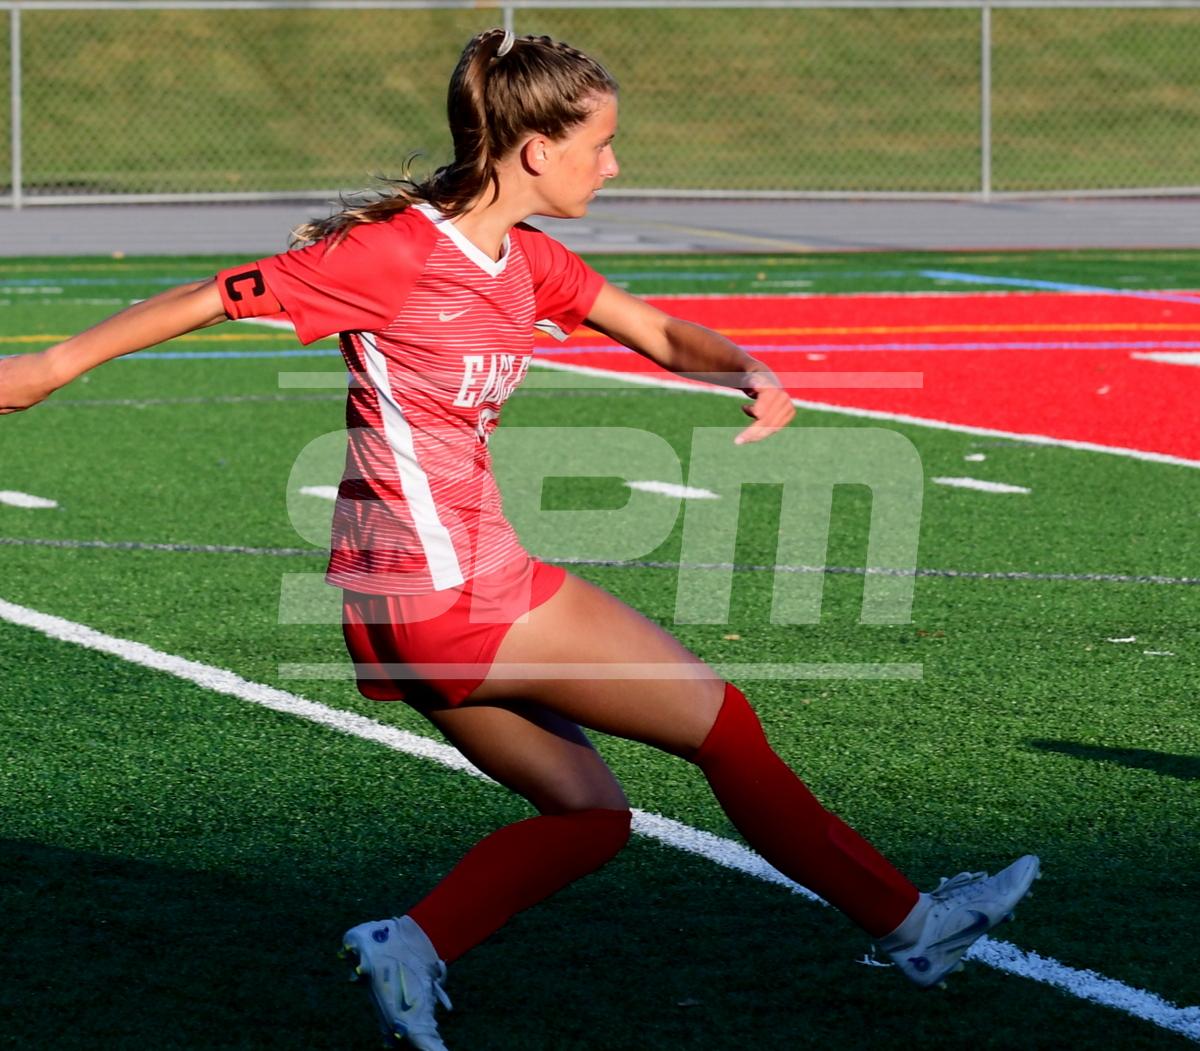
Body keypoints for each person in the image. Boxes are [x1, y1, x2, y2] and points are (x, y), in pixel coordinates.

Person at [0, 29, 1039, 1050]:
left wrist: (745, 367)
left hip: (404, 603)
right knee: (723, 727)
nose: (614, 165)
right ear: (537, 150)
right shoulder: (394, 252)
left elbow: (657, 330)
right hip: (453, 590)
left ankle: (410, 944)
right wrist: (46, 370)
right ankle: (914, 927)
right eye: (601, 144)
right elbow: (217, 295)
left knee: (590, 815)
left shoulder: (528, 262)